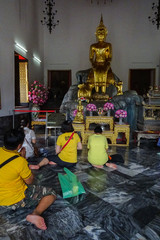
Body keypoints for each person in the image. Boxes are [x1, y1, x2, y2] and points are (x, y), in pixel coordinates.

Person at [0, 129, 56, 230]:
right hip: (11, 201)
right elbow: (29, 181)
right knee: (51, 193)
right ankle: (35, 213)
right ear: (19, 146)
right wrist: (23, 158)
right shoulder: (19, 162)